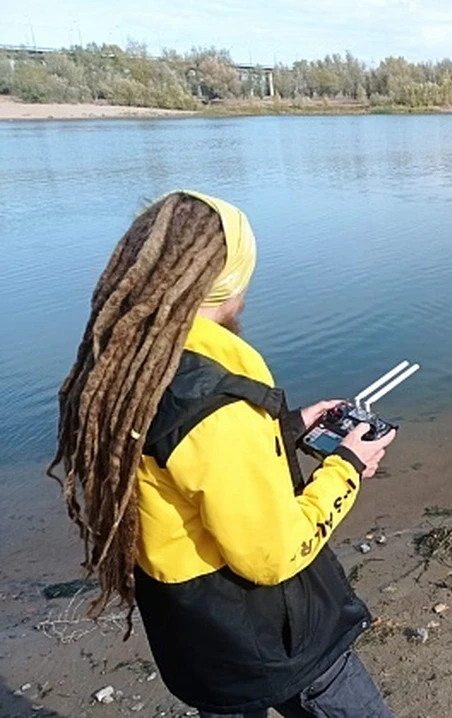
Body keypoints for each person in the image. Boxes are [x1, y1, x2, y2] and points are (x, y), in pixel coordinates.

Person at [48, 190, 397, 717]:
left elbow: (181, 459)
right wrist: (346, 466)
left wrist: (287, 423)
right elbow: (273, 555)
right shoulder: (217, 404)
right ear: (229, 284)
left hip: (196, 643)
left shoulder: (122, 369)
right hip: (276, 639)